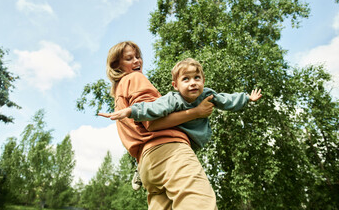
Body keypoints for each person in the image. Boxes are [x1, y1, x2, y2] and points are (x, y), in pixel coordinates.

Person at [100, 41, 218, 210]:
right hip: (169, 152)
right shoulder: (135, 78)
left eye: (138, 57)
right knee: (199, 203)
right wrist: (197, 112)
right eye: (129, 58)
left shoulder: (119, 96)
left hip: (147, 165)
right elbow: (152, 123)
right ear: (116, 66)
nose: (137, 61)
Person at [99, 58, 262, 150]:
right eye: (186, 79)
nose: (193, 83)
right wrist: (130, 111)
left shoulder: (207, 95)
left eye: (197, 78)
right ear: (176, 85)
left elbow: (227, 100)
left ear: (203, 81)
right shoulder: (173, 99)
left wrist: (247, 98)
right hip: (176, 139)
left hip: (196, 142)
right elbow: (153, 108)